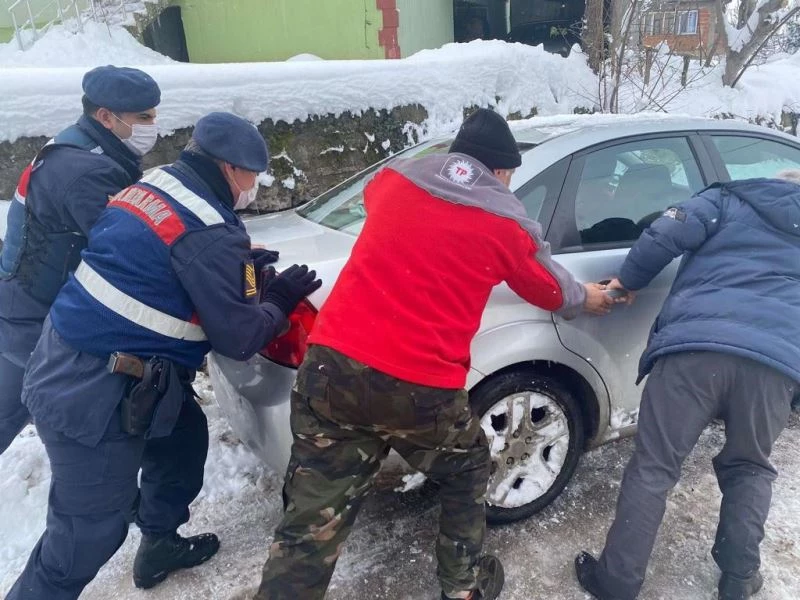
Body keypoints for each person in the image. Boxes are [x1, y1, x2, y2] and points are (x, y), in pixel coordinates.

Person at [255, 108, 617, 600]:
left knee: (313, 514)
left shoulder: (393, 181)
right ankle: (462, 586)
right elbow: (550, 289)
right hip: (417, 388)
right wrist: (587, 297)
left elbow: (380, 202)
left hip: (331, 367)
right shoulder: (506, 224)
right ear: (502, 170)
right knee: (467, 469)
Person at [6, 112, 322, 599]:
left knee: (182, 443)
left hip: (94, 359)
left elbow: (172, 263)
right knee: (87, 535)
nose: (255, 186)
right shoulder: (209, 231)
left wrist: (242, 272)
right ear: (230, 169)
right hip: (90, 391)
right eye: (253, 175)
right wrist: (277, 300)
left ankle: (159, 544)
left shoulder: (155, 184)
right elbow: (239, 338)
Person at [575, 171, 800, 600]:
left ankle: (617, 582)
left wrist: (627, 282)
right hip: (773, 366)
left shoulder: (728, 200)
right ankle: (739, 577)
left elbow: (664, 233)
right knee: (749, 467)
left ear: (773, 183)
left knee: (654, 467)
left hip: (696, 348)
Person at [0, 65, 161, 454]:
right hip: (35, 314)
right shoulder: (87, 171)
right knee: (22, 409)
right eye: (143, 117)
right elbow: (126, 248)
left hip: (24, 300)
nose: (153, 126)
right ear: (105, 116)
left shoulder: (79, 144)